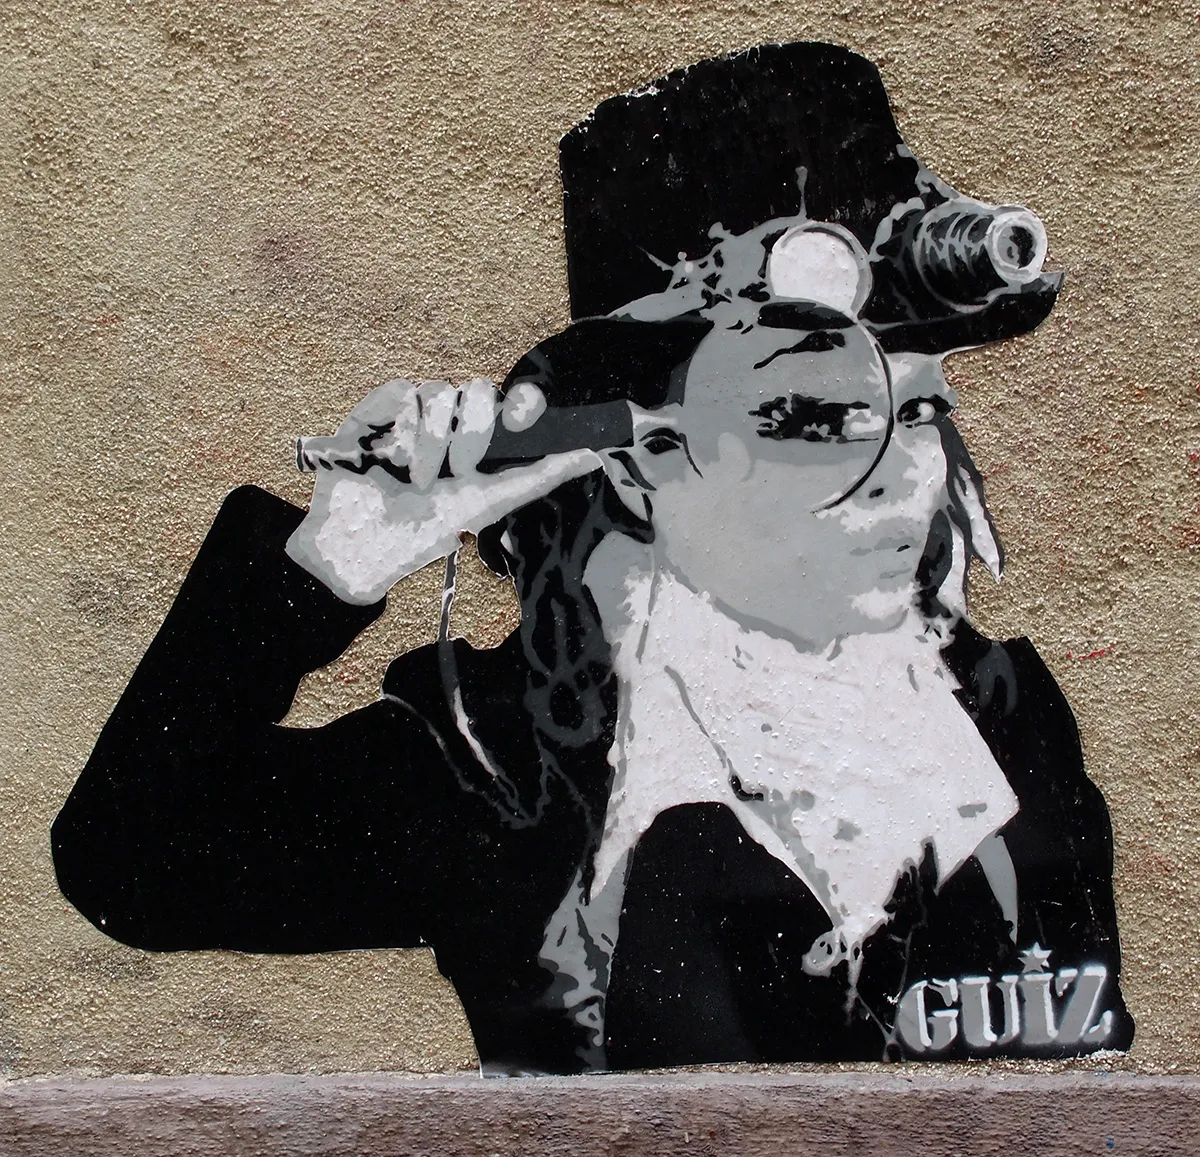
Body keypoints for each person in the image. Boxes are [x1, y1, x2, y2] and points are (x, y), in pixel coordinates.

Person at [51, 42, 1133, 1074]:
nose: (896, 469)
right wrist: (331, 564)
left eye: (921, 410)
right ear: (642, 457)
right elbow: (130, 857)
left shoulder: (1007, 720)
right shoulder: (508, 766)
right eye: (812, 415)